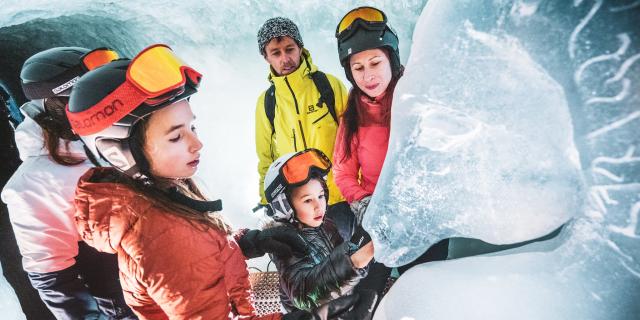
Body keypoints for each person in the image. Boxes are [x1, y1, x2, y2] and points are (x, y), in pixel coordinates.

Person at [66, 44, 375, 320]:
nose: (196, 144)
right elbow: (191, 266)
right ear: (119, 153)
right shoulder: (162, 238)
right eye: (175, 136)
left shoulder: (161, 197)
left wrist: (247, 242)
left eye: (192, 127)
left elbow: (206, 258)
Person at [0, 46, 137, 320]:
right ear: (56, 105)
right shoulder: (34, 184)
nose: (108, 104)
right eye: (93, 96)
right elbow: (54, 279)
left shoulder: (119, 143)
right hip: (126, 306)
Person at [333, 6, 449, 295]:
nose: (368, 75)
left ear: (391, 60)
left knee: (425, 291)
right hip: (377, 219)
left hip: (421, 216)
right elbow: (343, 171)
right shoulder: (353, 115)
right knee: (362, 295)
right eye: (358, 68)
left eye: (375, 63)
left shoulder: (417, 100)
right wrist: (366, 204)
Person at [255, 17, 354, 241]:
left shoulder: (329, 85)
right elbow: (266, 158)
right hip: (296, 203)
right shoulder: (267, 103)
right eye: (276, 53)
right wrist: (266, 201)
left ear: (300, 47)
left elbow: (352, 140)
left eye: (290, 49)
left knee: (345, 265)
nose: (285, 58)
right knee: (310, 268)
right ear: (266, 56)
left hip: (337, 199)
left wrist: (356, 192)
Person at [263, 148, 374, 312]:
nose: (318, 206)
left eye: (321, 196)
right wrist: (354, 262)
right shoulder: (282, 242)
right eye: (308, 200)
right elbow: (303, 294)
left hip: (338, 306)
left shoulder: (326, 224)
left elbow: (340, 256)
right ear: (284, 207)